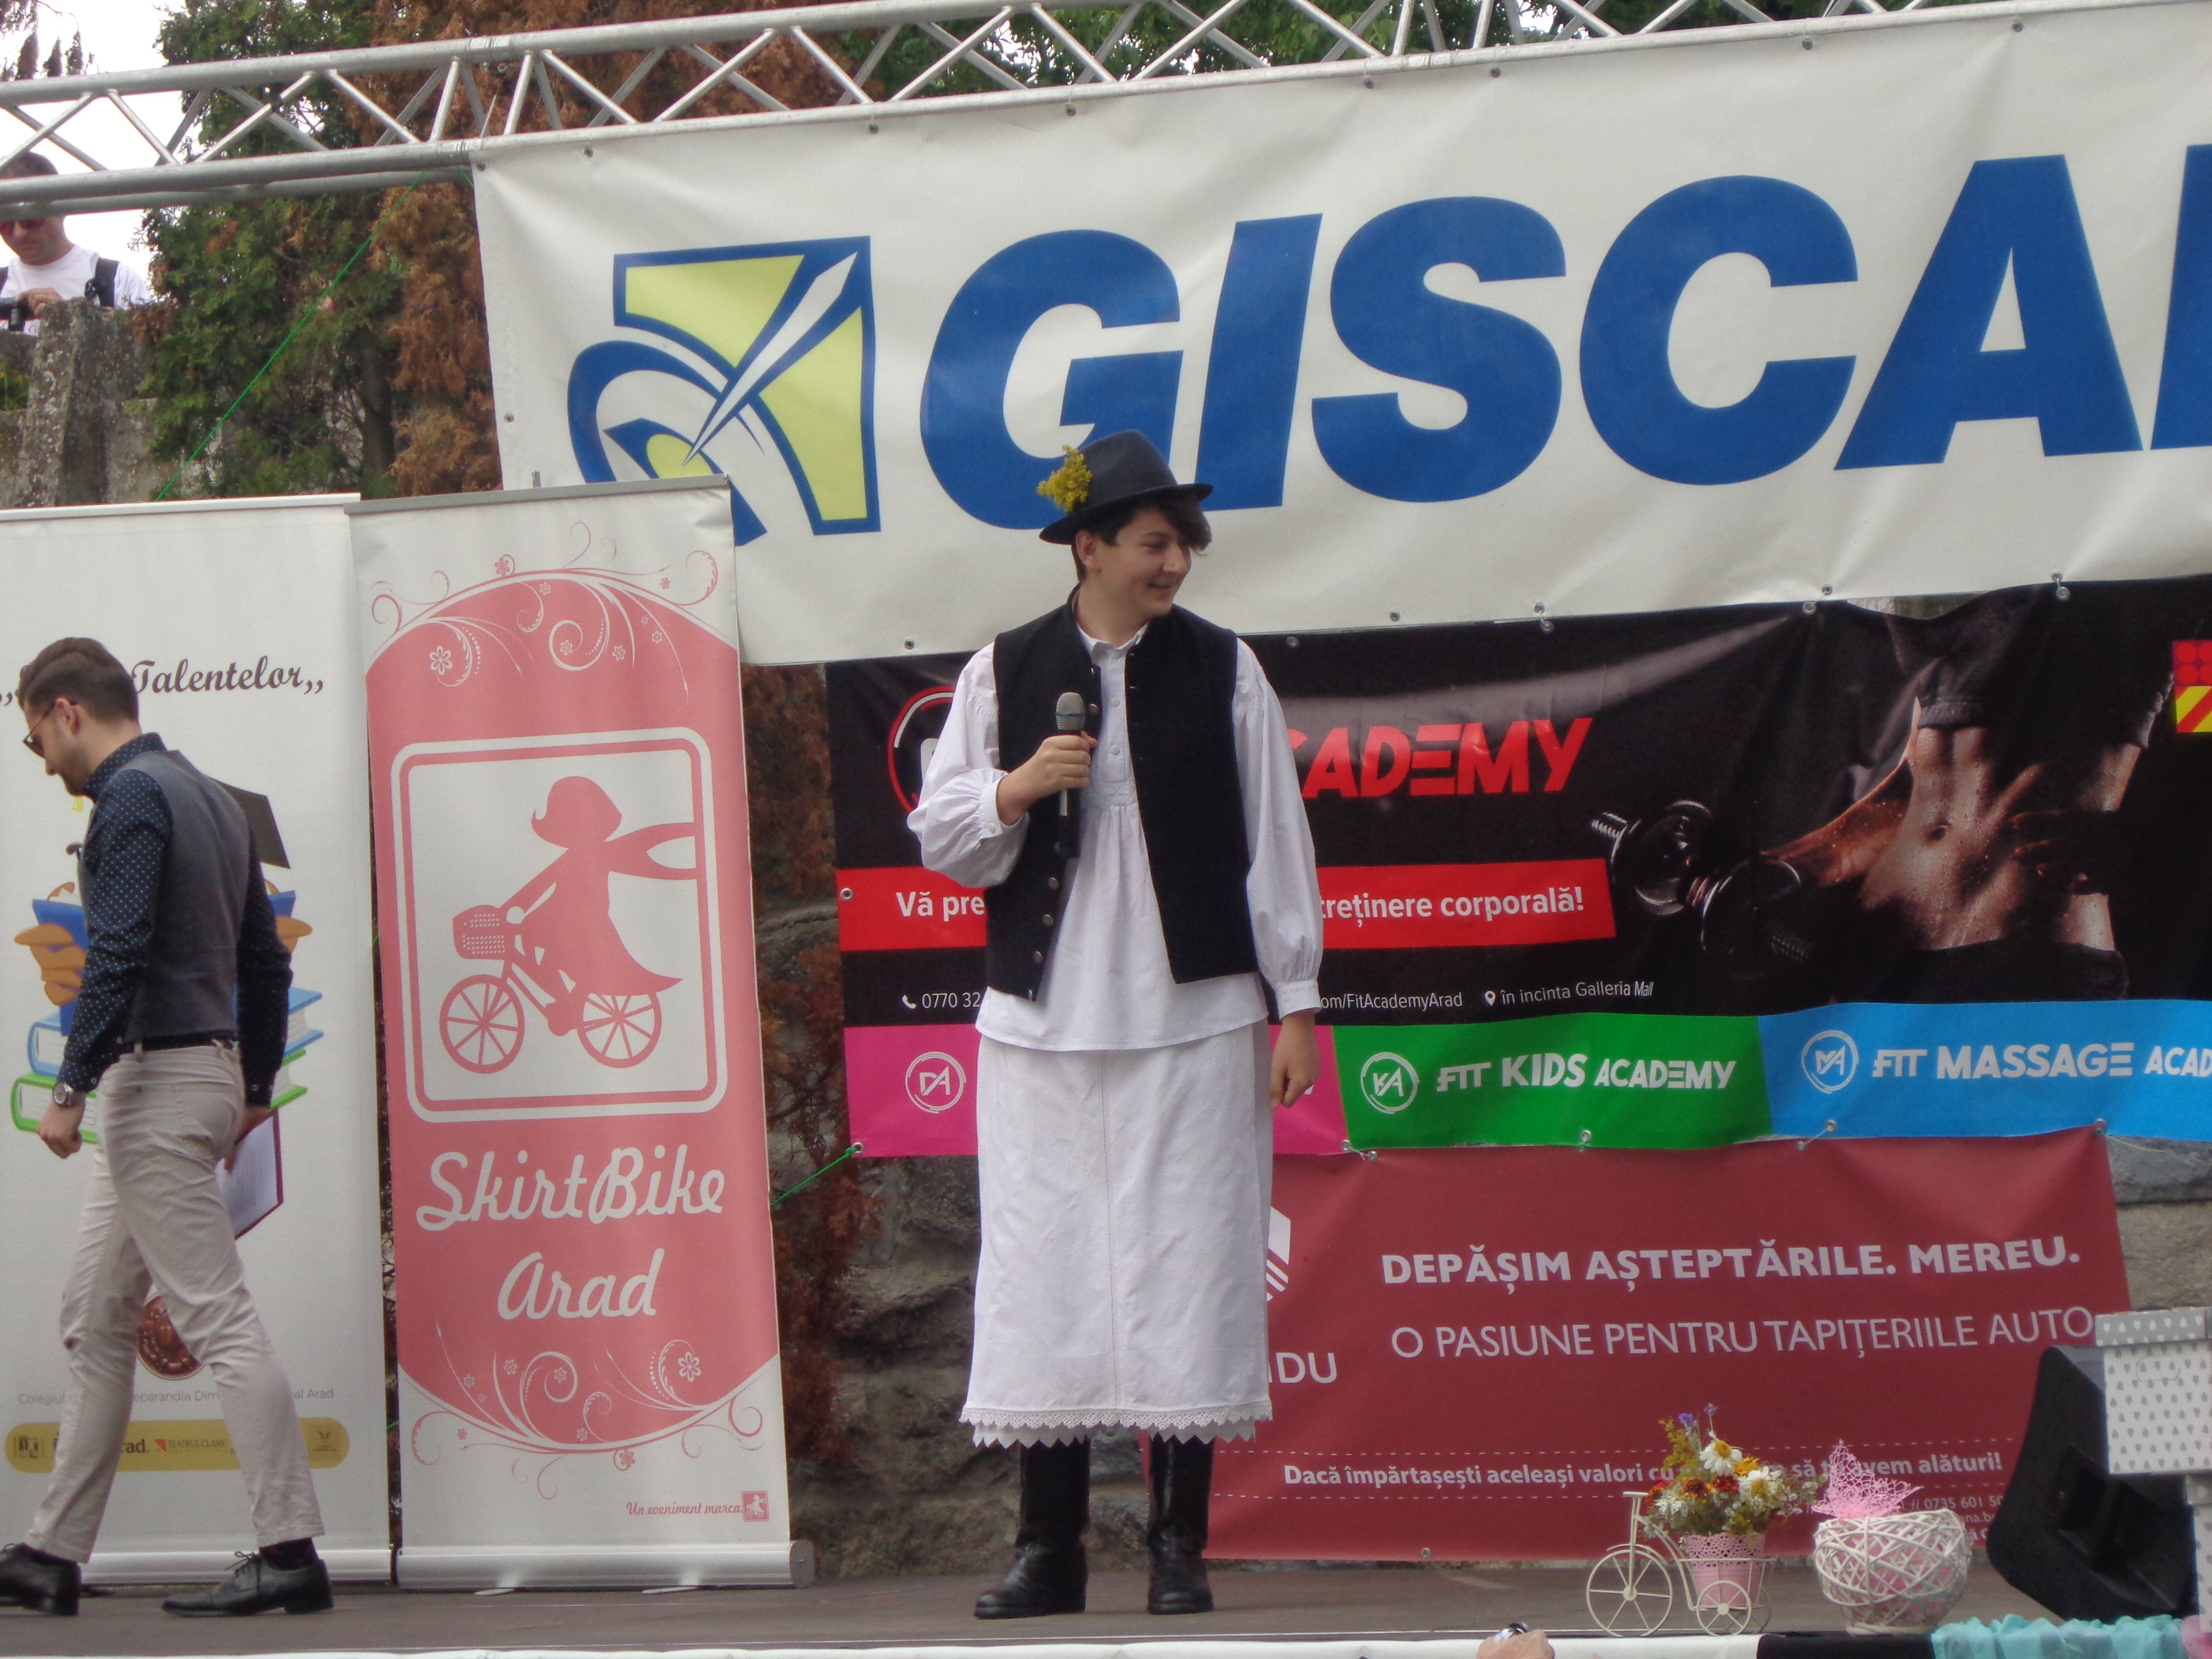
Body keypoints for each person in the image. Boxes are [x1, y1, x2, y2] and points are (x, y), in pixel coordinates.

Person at [910, 431, 1325, 1619]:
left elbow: (1275, 838)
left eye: (1182, 545)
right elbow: (944, 839)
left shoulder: (1225, 669)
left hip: (1193, 1018)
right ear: (1087, 547)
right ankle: (1049, 1550)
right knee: (1042, 1273)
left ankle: (1177, 1549)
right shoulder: (1002, 670)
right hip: (1042, 1024)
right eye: (1153, 543)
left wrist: (1295, 1001)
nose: (1174, 564)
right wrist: (1015, 788)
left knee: (1191, 1268)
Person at [0, 638, 329, 1619]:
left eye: (35, 740)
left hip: (157, 1082)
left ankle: (289, 1550)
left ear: (65, 711)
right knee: (94, 1315)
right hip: (199, 1074)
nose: (42, 762)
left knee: (215, 1314)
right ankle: (51, 1554)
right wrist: (256, 1084)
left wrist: (70, 1085)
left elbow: (120, 951)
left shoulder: (133, 798)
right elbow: (265, 961)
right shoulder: (212, 799)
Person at [0, 152, 153, 334]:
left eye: (30, 220)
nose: (19, 234)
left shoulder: (117, 280)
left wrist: (73, 320)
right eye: (5, 225)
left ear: (62, 208)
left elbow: (152, 346)